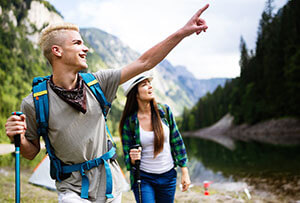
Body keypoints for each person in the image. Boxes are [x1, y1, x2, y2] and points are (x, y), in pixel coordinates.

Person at [5, 3, 209, 203]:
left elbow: (145, 62)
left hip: (110, 186)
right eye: (77, 43)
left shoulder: (98, 83)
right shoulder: (35, 102)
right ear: (57, 51)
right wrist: (19, 137)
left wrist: (183, 32)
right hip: (71, 189)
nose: (86, 48)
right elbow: (30, 152)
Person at [119, 75, 190, 203]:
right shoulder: (130, 122)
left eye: (149, 83)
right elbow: (128, 159)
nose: (150, 86)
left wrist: (184, 171)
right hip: (143, 178)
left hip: (168, 177)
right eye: (144, 84)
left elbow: (176, 141)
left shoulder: (164, 111)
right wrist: (133, 159)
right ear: (135, 93)